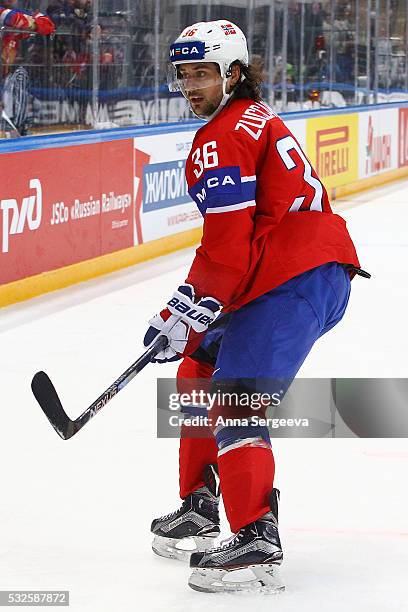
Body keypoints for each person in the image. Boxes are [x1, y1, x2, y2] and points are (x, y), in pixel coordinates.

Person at [143, 20, 366, 594]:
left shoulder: (220, 137)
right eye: (184, 74)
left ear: (233, 73)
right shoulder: (252, 117)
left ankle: (255, 540)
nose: (191, 85)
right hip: (287, 272)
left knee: (237, 397)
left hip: (291, 279)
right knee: (196, 365)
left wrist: (186, 306)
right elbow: (235, 246)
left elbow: (226, 241)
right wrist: (188, 315)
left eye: (203, 73)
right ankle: (198, 503)